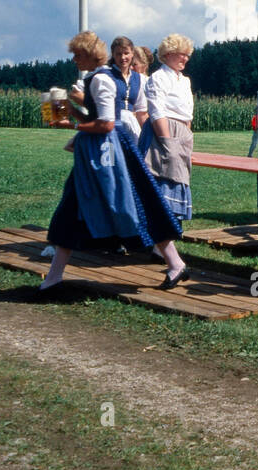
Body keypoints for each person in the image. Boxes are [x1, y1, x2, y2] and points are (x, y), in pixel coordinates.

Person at [39, 33, 189, 291]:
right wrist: (67, 111)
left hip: (110, 153)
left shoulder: (102, 80)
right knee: (75, 206)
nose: (74, 59)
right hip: (97, 152)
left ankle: (175, 263)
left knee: (136, 204)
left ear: (89, 55)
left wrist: (72, 124)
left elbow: (107, 123)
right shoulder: (99, 78)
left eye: (77, 54)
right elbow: (95, 114)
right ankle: (53, 278)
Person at [141, 34, 195, 224]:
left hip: (181, 134)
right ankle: (159, 239)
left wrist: (186, 138)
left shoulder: (185, 81)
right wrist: (167, 142)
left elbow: (187, 113)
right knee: (162, 180)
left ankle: (170, 231)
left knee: (178, 179)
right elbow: (156, 111)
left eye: (187, 55)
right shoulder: (158, 78)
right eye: (182, 54)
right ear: (168, 54)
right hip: (162, 133)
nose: (185, 59)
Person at [109, 36, 149, 138]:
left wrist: (149, 138)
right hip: (111, 124)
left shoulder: (139, 79)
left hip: (131, 124)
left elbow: (142, 113)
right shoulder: (105, 76)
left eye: (126, 53)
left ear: (132, 54)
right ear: (113, 55)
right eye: (118, 54)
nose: (123, 57)